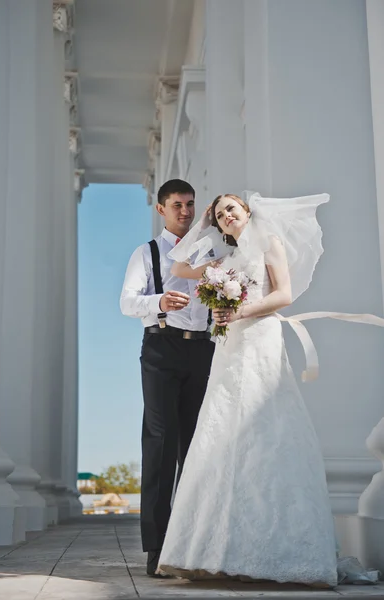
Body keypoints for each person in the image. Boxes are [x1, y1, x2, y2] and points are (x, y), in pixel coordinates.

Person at [158, 191, 340, 586]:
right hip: (229, 345)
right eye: (221, 214)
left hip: (259, 339)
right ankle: (217, 549)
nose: (226, 216)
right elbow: (179, 265)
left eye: (231, 210)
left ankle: (273, 551)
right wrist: (202, 226)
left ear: (247, 211)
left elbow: (284, 294)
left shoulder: (269, 244)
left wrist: (237, 311)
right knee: (222, 431)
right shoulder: (223, 261)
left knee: (265, 430)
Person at [120, 179, 215, 577]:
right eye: (177, 205)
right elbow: (127, 302)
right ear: (161, 209)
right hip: (161, 348)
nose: (185, 211)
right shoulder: (146, 253)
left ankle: (193, 542)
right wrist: (158, 300)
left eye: (191, 204)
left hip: (204, 350)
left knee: (198, 447)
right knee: (161, 444)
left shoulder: (211, 251)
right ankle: (157, 548)